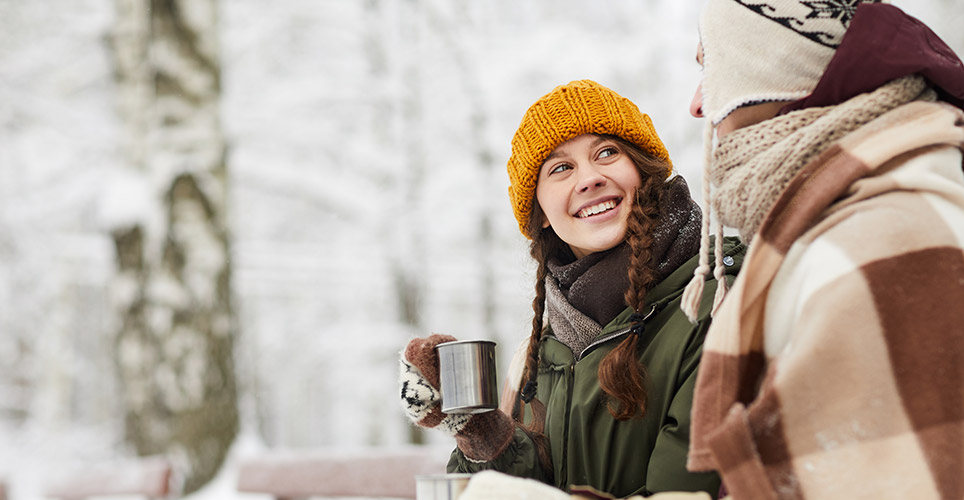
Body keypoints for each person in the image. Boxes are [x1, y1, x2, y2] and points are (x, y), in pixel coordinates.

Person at [398, 79, 745, 498]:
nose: (590, 179)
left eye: (607, 153)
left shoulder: (721, 303)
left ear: (643, 170)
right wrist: (483, 433)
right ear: (541, 213)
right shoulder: (539, 354)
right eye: (561, 168)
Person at [683, 1, 964, 499]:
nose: (698, 105)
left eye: (711, 68)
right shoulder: (852, 216)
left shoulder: (876, 243)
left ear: (768, 68)